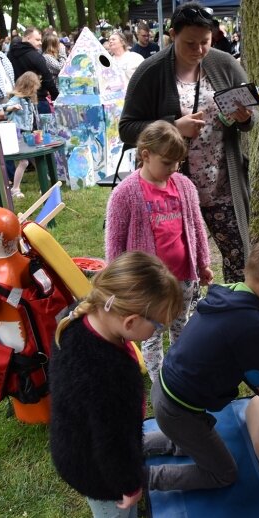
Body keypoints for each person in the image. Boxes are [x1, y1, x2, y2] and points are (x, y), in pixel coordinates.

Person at [145, 238, 259, 491]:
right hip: (180, 411)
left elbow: (251, 360)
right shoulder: (254, 323)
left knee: (185, 439)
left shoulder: (227, 292)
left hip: (164, 391)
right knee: (223, 474)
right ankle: (139, 480)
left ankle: (127, 449)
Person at [120, 1, 257, 282]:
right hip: (170, 192)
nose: (198, 51)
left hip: (221, 186)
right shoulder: (151, 71)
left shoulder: (225, 65)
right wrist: (173, 127)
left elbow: (253, 115)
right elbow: (127, 128)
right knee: (179, 265)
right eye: (189, 43)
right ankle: (183, 320)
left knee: (239, 258)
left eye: (205, 42)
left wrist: (244, 118)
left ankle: (234, 316)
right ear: (172, 35)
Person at [50, 252, 183, 518]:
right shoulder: (110, 375)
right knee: (118, 515)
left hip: (75, 443)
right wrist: (129, 485)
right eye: (157, 327)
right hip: (97, 472)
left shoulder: (79, 316)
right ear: (131, 322)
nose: (157, 332)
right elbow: (112, 443)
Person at [105, 120, 213, 382]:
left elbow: (197, 226)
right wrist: (119, 283)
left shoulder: (184, 186)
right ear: (145, 155)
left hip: (184, 279)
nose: (173, 169)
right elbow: (115, 240)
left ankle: (180, 374)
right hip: (147, 286)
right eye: (167, 163)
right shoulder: (125, 193)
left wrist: (203, 263)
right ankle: (158, 382)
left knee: (182, 327)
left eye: (178, 163)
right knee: (151, 335)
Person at [3, 72, 40, 198]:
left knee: (36, 159)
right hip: (18, 134)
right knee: (24, 162)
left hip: (27, 133)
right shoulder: (16, 98)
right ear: (28, 86)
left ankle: (45, 184)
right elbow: (5, 108)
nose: (36, 89)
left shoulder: (29, 100)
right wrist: (12, 107)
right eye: (34, 87)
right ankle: (15, 188)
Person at [8, 27, 59, 114]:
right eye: (37, 40)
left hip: (18, 101)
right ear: (28, 38)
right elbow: (48, 79)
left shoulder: (10, 54)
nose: (40, 43)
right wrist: (56, 97)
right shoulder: (36, 57)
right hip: (37, 100)